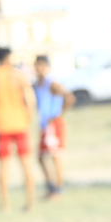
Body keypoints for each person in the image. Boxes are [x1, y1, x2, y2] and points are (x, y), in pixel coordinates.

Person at [0, 47, 36, 211]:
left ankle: (5, 205)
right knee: (26, 164)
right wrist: (28, 118)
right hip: (20, 124)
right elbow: (31, 100)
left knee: (3, 166)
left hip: (2, 126)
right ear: (9, 58)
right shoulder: (19, 76)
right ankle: (30, 203)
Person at [33, 54, 75, 198]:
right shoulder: (38, 83)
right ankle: (51, 187)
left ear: (46, 66)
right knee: (41, 156)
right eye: (36, 64)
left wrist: (57, 115)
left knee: (56, 157)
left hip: (54, 123)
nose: (38, 68)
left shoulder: (51, 82)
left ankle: (58, 190)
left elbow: (69, 97)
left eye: (41, 64)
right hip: (45, 124)